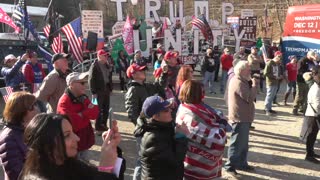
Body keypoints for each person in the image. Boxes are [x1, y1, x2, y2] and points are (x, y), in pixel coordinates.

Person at [19, 113, 121, 180]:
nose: (77, 138)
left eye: (73, 132)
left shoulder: (71, 164)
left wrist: (112, 149)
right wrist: (105, 168)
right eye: (67, 135)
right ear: (46, 145)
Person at [176, 80, 228, 179]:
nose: (204, 94)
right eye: (202, 92)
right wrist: (222, 126)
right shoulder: (192, 116)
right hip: (198, 167)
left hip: (190, 163)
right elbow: (217, 140)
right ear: (197, 94)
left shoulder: (183, 107)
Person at [125, 63, 168, 180]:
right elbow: (131, 112)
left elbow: (160, 86)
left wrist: (163, 74)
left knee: (149, 158)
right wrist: (142, 125)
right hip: (144, 129)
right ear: (133, 75)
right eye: (140, 71)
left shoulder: (147, 85)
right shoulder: (133, 90)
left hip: (152, 126)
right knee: (142, 159)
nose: (143, 72)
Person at [134, 96, 183, 179]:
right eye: (166, 110)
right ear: (155, 116)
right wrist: (181, 136)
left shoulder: (162, 127)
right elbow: (175, 160)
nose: (170, 111)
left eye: (170, 108)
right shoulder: (153, 138)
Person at [224, 61, 258, 176]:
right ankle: (230, 166)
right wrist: (254, 85)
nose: (250, 71)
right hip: (240, 118)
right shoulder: (238, 82)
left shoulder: (241, 80)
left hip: (244, 117)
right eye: (248, 69)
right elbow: (249, 97)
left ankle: (242, 163)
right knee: (237, 143)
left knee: (243, 144)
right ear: (242, 70)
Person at [57, 72, 99, 160]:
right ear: (71, 84)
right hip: (72, 145)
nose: (85, 85)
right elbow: (72, 124)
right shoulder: (64, 101)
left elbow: (95, 113)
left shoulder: (83, 97)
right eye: (82, 83)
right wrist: (86, 113)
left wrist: (81, 114)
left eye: (85, 82)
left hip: (84, 141)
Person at [0, 92, 39, 180]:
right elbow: (16, 174)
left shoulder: (31, 128)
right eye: (32, 107)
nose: (36, 109)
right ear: (21, 111)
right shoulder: (9, 138)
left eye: (35, 104)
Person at [88, 49, 113, 134]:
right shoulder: (94, 66)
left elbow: (109, 77)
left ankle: (104, 125)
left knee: (106, 108)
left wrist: (110, 89)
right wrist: (93, 92)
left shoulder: (106, 65)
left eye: (106, 55)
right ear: (99, 56)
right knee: (97, 109)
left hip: (106, 89)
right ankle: (98, 128)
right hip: (98, 91)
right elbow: (91, 80)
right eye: (104, 55)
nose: (106, 57)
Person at [303, 65, 320, 164]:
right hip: (313, 114)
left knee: (314, 134)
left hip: (315, 113)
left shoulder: (317, 84)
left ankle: (311, 152)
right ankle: (308, 155)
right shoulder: (315, 87)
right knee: (311, 134)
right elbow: (317, 103)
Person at [293, 51, 317, 115]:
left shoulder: (312, 61)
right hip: (300, 80)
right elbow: (299, 71)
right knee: (299, 95)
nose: (312, 58)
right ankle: (295, 109)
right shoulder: (302, 61)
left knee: (306, 95)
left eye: (313, 57)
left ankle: (303, 109)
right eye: (311, 56)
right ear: (307, 55)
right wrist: (308, 72)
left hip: (309, 81)